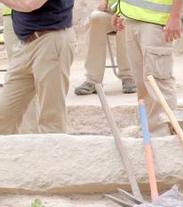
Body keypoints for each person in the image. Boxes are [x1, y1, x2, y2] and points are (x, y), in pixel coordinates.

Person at [0, 0, 74, 134]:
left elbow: (30, 4)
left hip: (51, 40)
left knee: (51, 120)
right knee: (4, 116)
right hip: (25, 44)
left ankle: (53, 154)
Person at [113, 0, 183, 134]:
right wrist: (119, 9)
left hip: (156, 22)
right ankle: (148, 130)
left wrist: (175, 17)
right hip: (131, 19)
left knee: (158, 82)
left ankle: (163, 132)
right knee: (141, 82)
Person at [72, 0, 135, 96]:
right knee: (96, 18)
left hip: (132, 12)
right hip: (111, 12)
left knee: (124, 21)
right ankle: (93, 80)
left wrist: (120, 11)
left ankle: (128, 76)